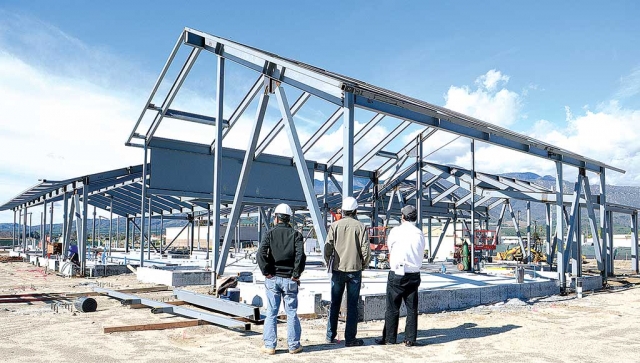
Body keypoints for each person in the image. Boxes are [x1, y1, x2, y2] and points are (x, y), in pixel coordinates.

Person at [257, 203, 306, 355]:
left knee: (271, 312)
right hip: (290, 279)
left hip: (273, 278)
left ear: (276, 218)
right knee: (291, 312)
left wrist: (266, 272)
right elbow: (301, 256)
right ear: (289, 219)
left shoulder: (269, 233)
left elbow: (260, 254)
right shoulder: (296, 235)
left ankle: (270, 346)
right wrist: (296, 274)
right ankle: (293, 346)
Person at [324, 197, 371, 347]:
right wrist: (363, 264)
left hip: (338, 270)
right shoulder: (361, 227)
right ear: (355, 211)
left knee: (335, 303)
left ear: (343, 211)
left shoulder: (335, 226)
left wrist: (328, 262)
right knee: (352, 305)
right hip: (354, 270)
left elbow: (327, 247)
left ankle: (330, 335)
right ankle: (350, 339)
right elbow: (366, 250)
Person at [375, 205, 425, 347]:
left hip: (397, 273)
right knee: (412, 308)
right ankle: (410, 339)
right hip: (414, 274)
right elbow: (421, 252)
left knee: (392, 307)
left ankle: (390, 338)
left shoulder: (395, 231)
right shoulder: (419, 233)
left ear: (402, 217)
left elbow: (390, 247)